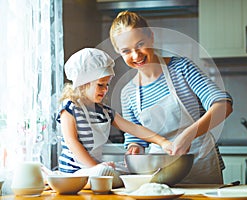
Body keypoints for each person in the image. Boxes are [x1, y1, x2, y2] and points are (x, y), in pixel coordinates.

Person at [109, 11, 233, 184]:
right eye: (126, 51)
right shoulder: (128, 93)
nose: (136, 56)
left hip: (201, 167)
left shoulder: (182, 69)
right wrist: (134, 148)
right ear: (118, 52)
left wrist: (189, 135)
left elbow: (223, 106)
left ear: (151, 37)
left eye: (140, 44)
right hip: (161, 174)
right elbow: (136, 138)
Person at [56, 48, 172, 187]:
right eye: (100, 85)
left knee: (131, 170)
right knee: (104, 171)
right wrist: (96, 168)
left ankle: (108, 178)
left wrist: (163, 142)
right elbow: (72, 142)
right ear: (83, 82)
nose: (105, 90)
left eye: (107, 85)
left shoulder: (104, 112)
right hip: (74, 175)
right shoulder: (70, 107)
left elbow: (134, 128)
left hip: (96, 171)